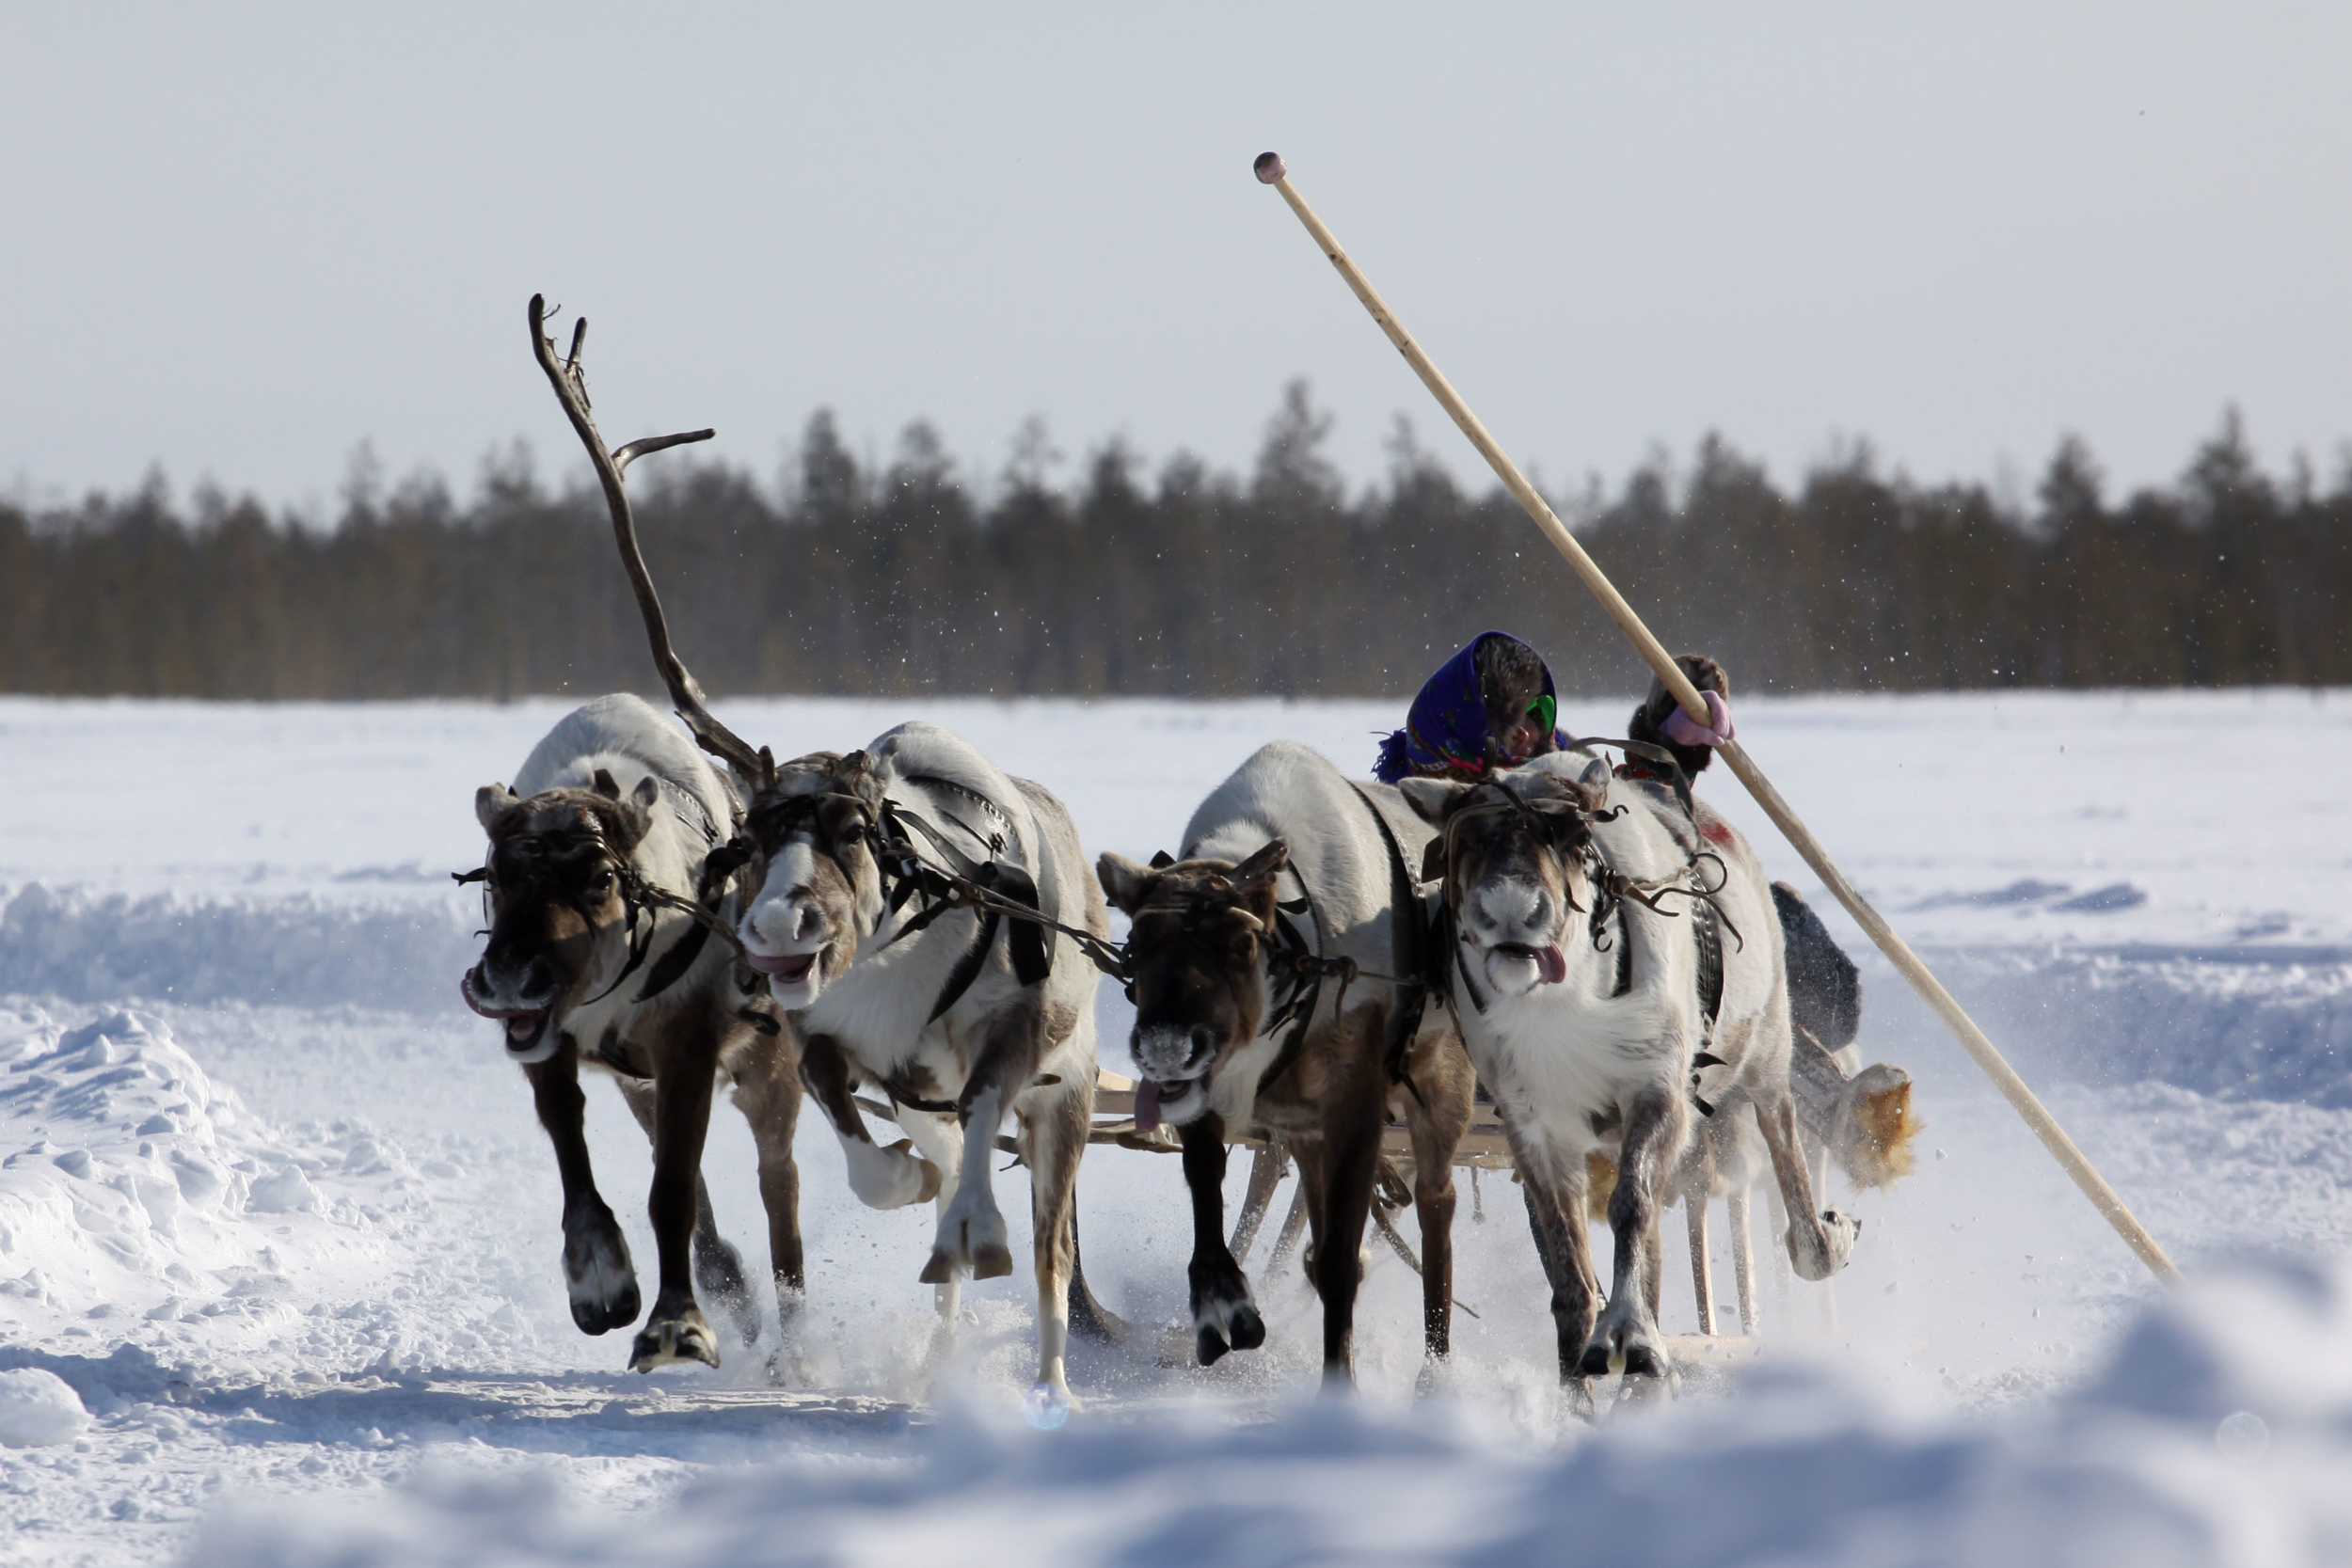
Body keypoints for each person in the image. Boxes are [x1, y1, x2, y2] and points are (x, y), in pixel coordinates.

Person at [1373, 631, 1737, 786]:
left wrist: (1671, 743)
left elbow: (1632, 811)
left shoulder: (1565, 763)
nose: (1532, 732)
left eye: (1536, 712)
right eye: (1508, 729)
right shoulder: (1407, 845)